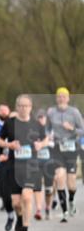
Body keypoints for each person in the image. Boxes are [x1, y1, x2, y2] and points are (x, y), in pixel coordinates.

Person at [0, 94, 47, 231]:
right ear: (16, 107)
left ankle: (25, 228)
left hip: (31, 166)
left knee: (27, 196)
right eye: (21, 106)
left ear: (31, 108)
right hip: (14, 166)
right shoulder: (10, 123)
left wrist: (41, 144)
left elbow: (46, 138)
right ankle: (19, 217)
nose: (24, 108)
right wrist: (9, 145)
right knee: (16, 202)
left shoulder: (36, 124)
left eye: (26, 106)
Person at [47, 87, 84, 222]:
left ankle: (71, 200)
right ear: (56, 99)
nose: (61, 99)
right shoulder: (51, 113)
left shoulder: (74, 112)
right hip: (57, 148)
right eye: (59, 97)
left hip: (71, 149)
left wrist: (72, 129)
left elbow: (82, 130)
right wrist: (48, 136)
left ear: (68, 98)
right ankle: (64, 211)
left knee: (71, 183)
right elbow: (47, 129)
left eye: (64, 96)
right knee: (59, 177)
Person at [36, 111, 56, 220]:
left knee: (48, 189)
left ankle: (48, 207)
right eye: (39, 118)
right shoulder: (33, 131)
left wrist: (44, 143)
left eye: (42, 118)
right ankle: (39, 209)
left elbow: (54, 144)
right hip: (37, 162)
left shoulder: (50, 131)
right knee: (38, 186)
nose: (41, 120)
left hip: (49, 162)